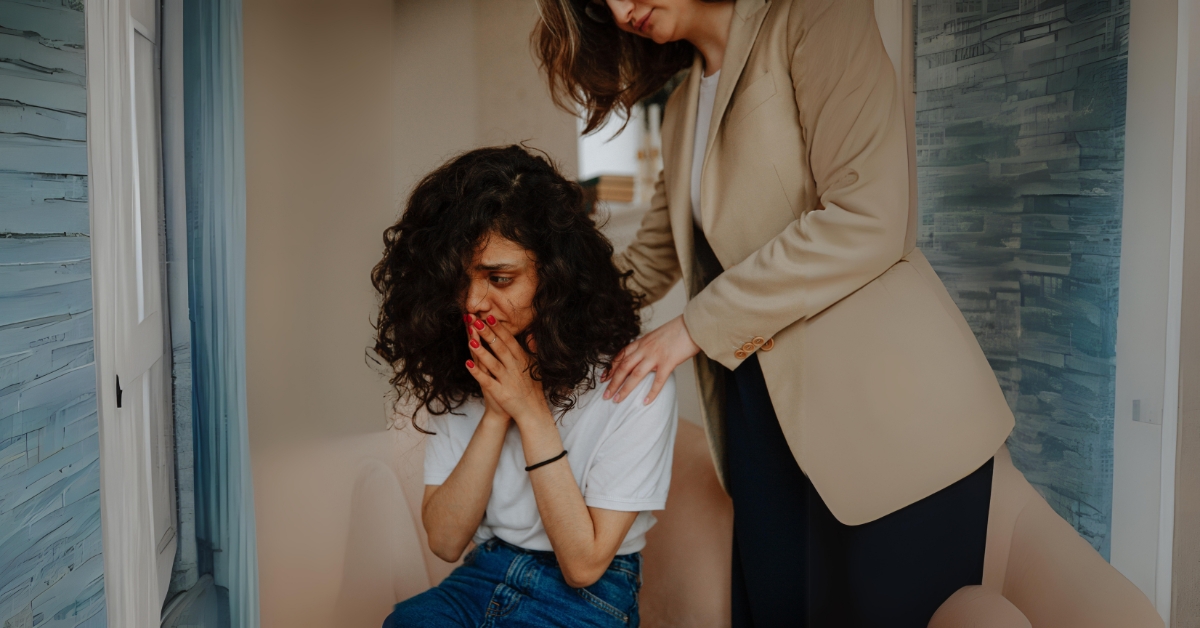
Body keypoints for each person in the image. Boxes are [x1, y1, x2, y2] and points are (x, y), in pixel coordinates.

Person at [533, 0, 1016, 626]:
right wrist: (535, 311)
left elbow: (866, 218)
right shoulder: (681, 105)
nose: (623, 10)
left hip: (888, 415)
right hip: (760, 421)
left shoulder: (817, 16)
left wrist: (692, 328)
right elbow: (650, 260)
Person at [372, 146, 678, 628]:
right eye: (460, 280)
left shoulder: (631, 376)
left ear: (556, 275)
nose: (473, 302)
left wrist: (530, 410)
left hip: (591, 593)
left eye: (500, 278)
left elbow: (583, 566)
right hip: (484, 571)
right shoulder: (460, 365)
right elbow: (447, 542)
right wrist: (496, 412)